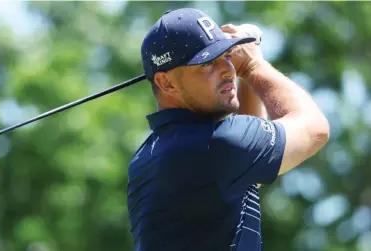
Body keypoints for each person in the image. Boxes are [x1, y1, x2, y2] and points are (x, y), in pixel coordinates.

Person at [127, 8, 330, 251]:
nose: (227, 70)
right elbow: (315, 129)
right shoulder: (215, 144)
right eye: (207, 63)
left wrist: (244, 74)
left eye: (226, 56)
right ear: (166, 82)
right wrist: (254, 65)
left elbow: (247, 167)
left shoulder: (152, 153)